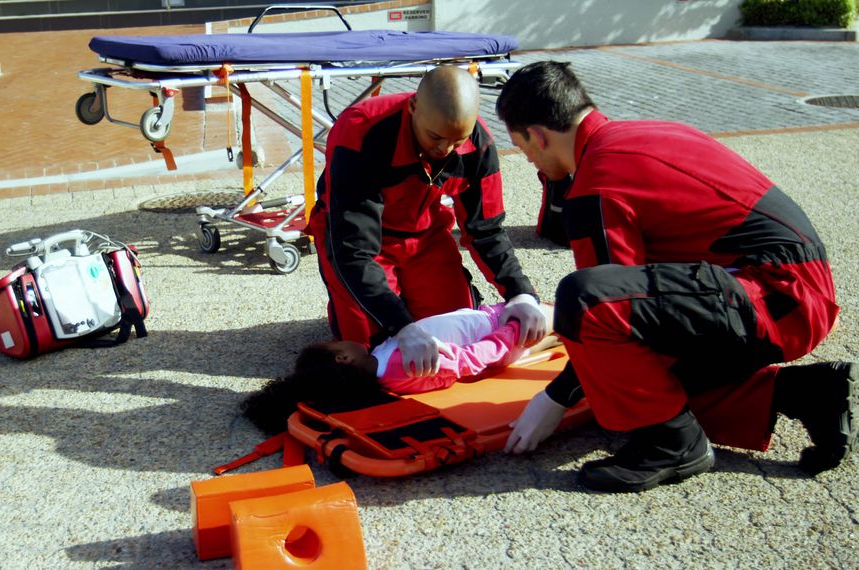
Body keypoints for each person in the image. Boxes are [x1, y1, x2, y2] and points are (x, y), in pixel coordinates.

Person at [495, 61, 855, 493]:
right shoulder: (645, 133)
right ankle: (809, 393)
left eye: (521, 146)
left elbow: (601, 308)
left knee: (584, 302)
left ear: (537, 134)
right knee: (649, 381)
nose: (528, 158)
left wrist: (555, 397)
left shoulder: (596, 184)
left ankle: (673, 444)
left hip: (772, 297)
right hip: (795, 288)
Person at [306, 65, 547, 382]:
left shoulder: (479, 145)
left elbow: (486, 230)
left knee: (455, 329)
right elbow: (353, 251)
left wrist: (521, 295)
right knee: (370, 351)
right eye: (435, 137)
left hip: (424, 233)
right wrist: (402, 328)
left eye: (456, 140)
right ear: (413, 108)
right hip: (360, 239)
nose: (444, 149)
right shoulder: (362, 133)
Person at [241, 303, 529, 434]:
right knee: (563, 312)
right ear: (343, 359)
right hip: (498, 326)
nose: (343, 340)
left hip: (489, 320)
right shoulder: (402, 367)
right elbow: (470, 360)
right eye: (337, 343)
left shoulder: (381, 362)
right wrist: (512, 330)